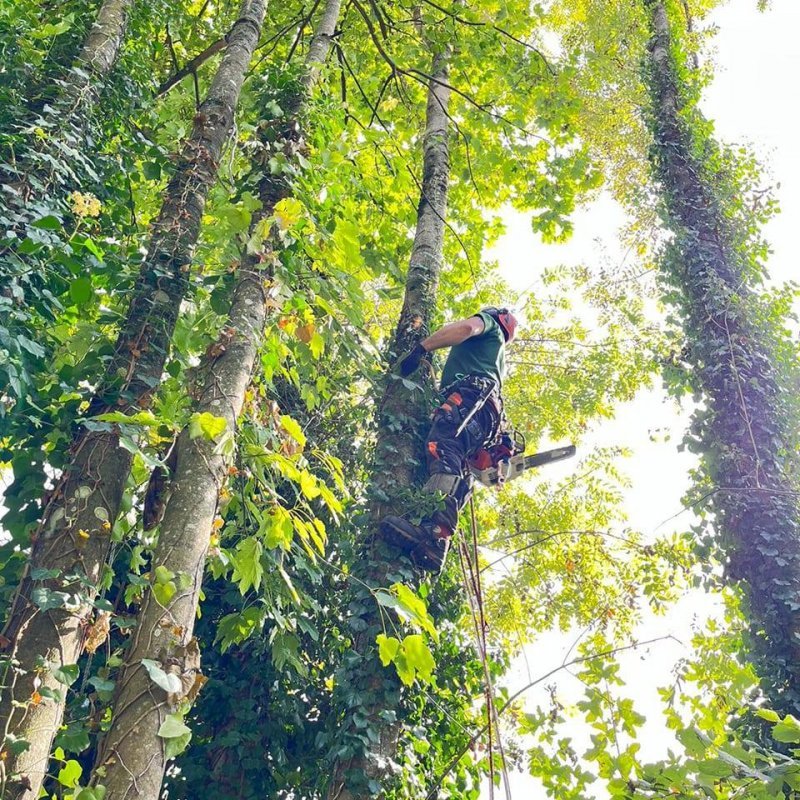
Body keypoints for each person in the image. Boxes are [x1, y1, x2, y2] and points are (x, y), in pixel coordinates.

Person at [380, 307, 520, 571]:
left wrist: (422, 348)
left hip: (471, 398)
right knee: (458, 464)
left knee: (444, 447)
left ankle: (433, 533)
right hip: (484, 412)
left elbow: (466, 329)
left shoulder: (489, 326)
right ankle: (435, 541)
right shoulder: (495, 364)